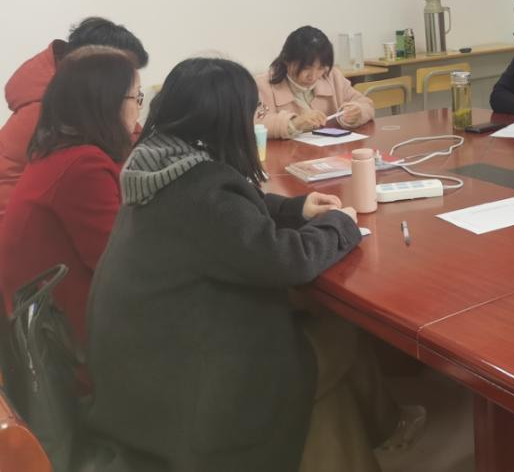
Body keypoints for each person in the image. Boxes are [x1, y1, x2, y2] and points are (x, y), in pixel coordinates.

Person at [86, 57, 419, 471]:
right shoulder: (203, 194)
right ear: (226, 119)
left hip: (143, 363)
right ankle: (377, 430)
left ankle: (385, 428)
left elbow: (238, 210)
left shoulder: (158, 163)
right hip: (186, 386)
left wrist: (297, 208)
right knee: (339, 333)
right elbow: (288, 260)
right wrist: (340, 226)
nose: (254, 120)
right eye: (252, 112)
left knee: (313, 339)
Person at [0, 46, 141, 346]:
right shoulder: (83, 166)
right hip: (69, 344)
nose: (139, 110)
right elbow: (120, 264)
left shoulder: (60, 150)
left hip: (43, 328)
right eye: (136, 98)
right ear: (108, 102)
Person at [0, 17, 148, 215]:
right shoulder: (47, 113)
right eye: (123, 70)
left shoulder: (86, 102)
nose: (130, 78)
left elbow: (132, 143)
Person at [256, 26, 374, 139]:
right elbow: (257, 123)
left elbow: (366, 104)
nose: (313, 76)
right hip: (287, 152)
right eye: (306, 68)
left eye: (321, 68)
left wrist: (358, 111)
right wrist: (295, 123)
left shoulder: (332, 77)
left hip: (330, 150)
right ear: (287, 60)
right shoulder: (264, 85)